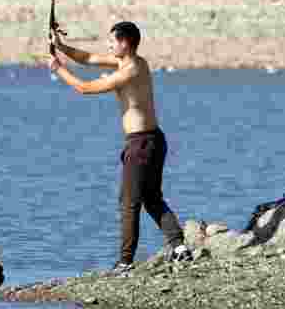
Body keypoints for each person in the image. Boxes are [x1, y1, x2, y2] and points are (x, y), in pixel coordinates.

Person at [48, 21, 192, 274]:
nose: (108, 45)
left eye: (112, 41)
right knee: (152, 198)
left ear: (125, 43)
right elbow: (89, 58)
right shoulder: (133, 62)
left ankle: (125, 263)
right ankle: (179, 247)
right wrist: (61, 46)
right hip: (153, 141)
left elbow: (85, 88)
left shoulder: (130, 70)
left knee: (129, 203)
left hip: (140, 145)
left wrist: (59, 69)